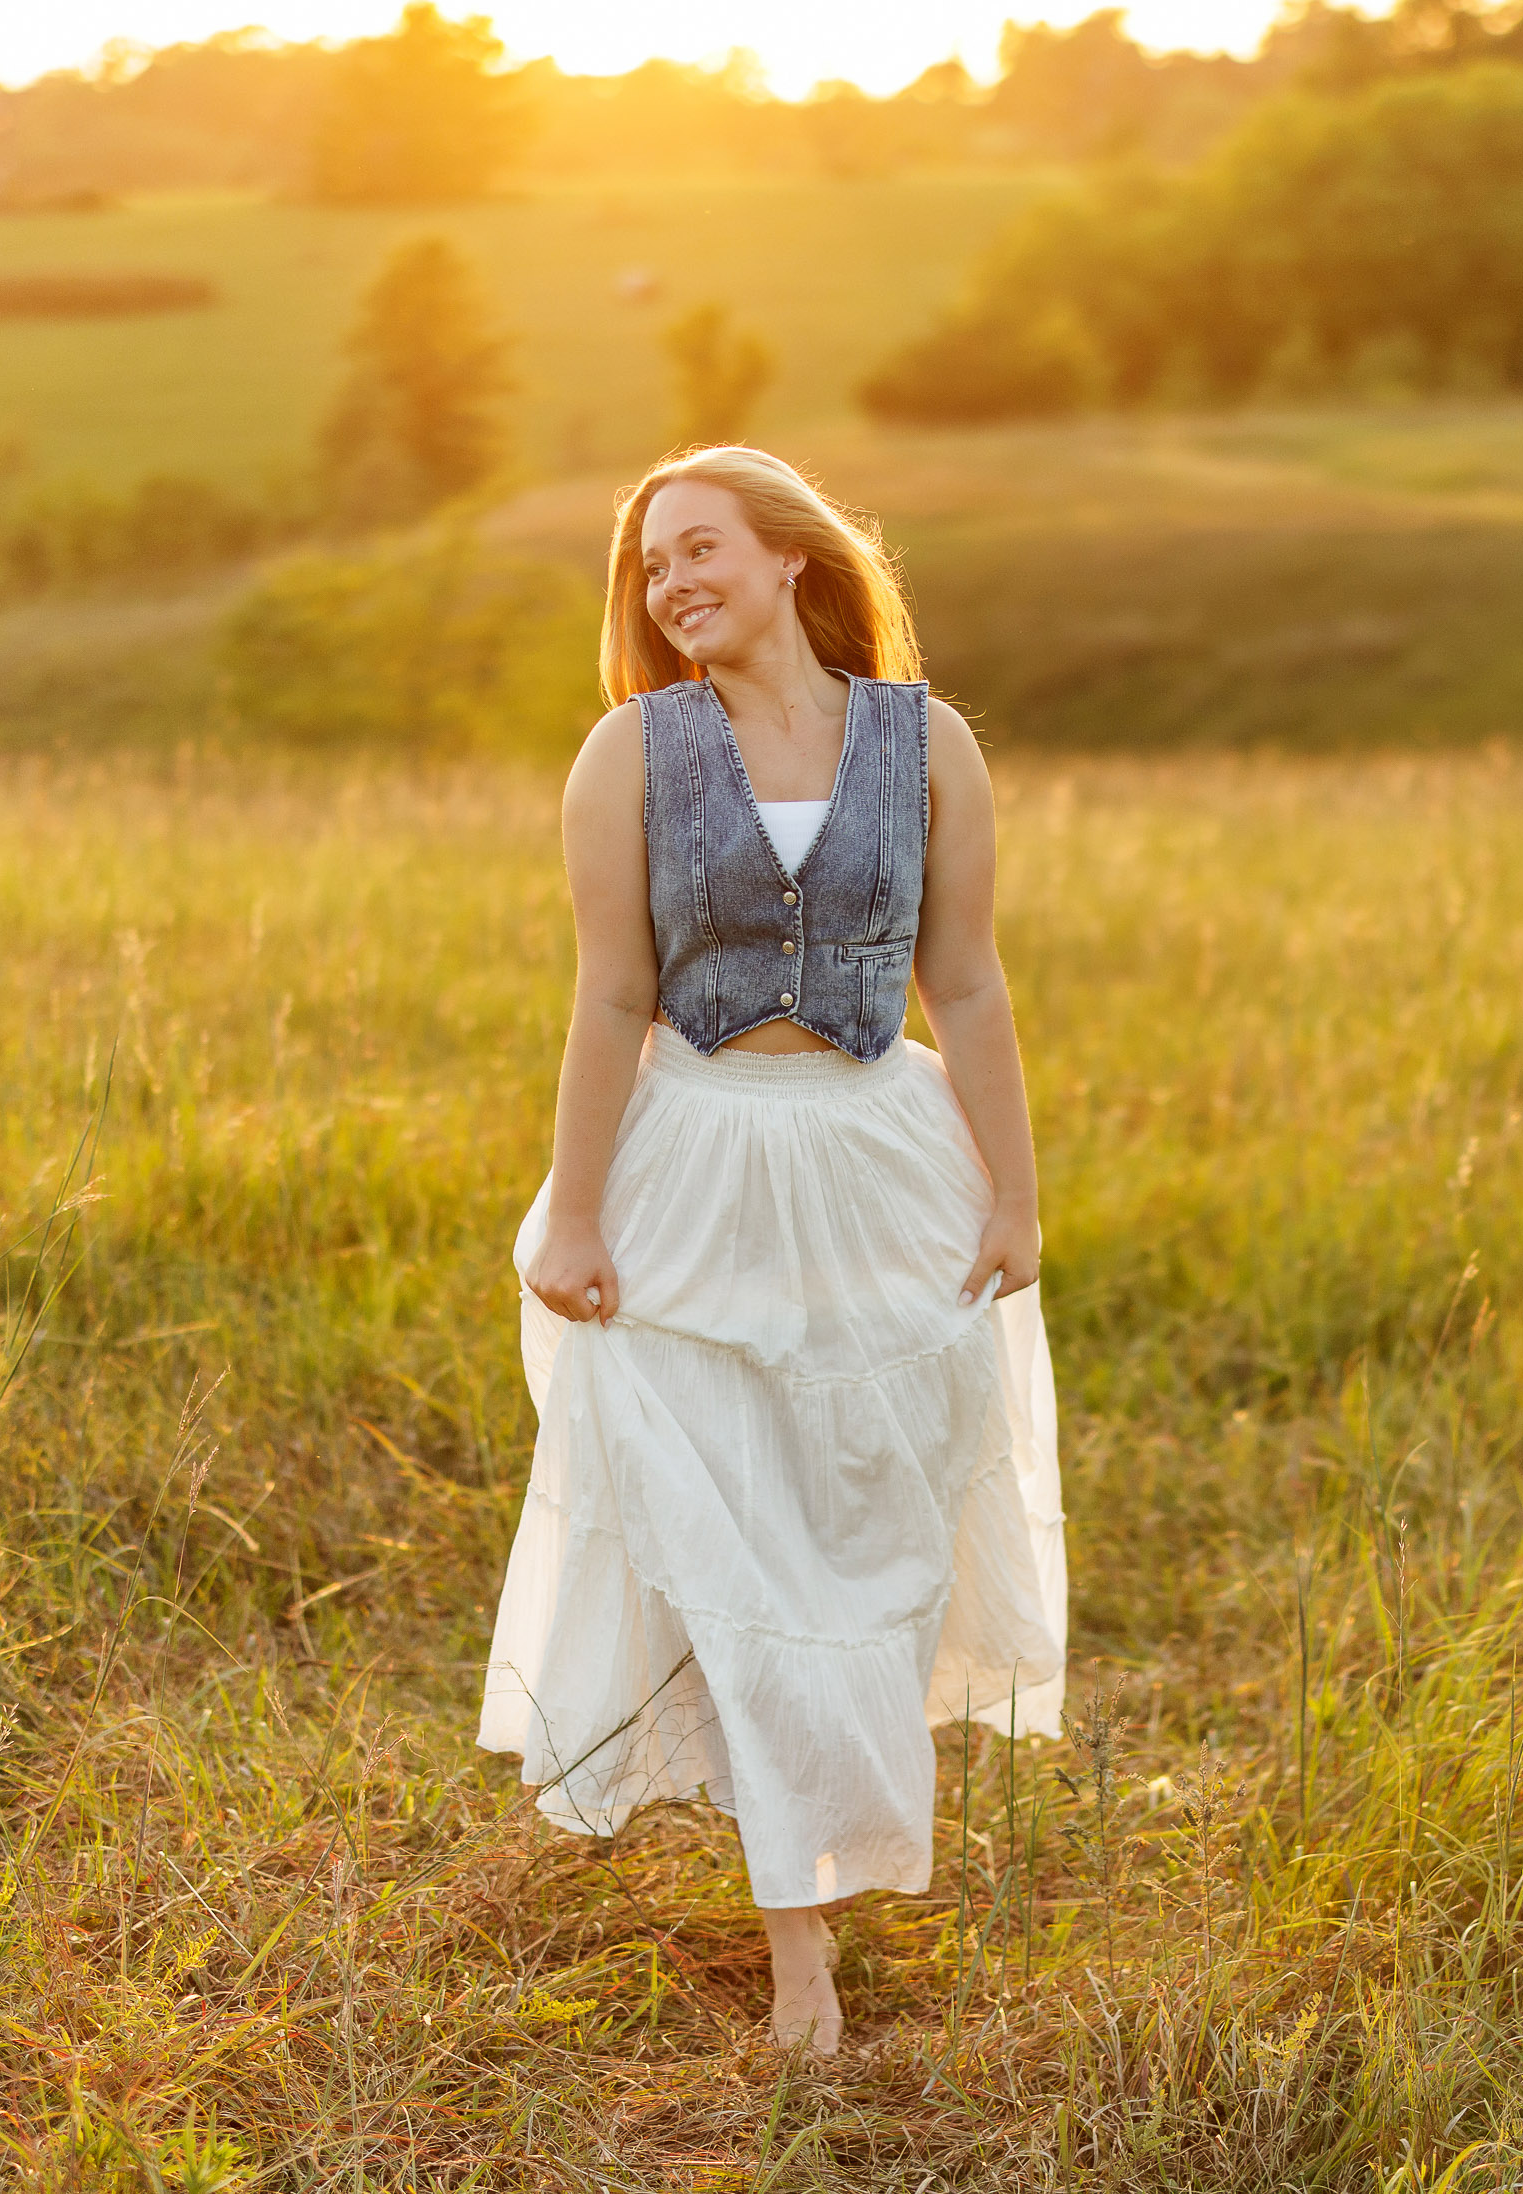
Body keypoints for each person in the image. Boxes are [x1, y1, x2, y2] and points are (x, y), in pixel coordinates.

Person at [478, 446, 1066, 2055]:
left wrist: (1012, 1197)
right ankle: (794, 1937)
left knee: (865, 1524)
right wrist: (577, 1208)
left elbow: (970, 983)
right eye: (649, 566)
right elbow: (609, 997)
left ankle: (839, 1823)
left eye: (697, 549)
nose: (669, 584)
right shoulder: (628, 756)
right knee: (733, 1551)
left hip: (880, 1163)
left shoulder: (925, 742)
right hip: (693, 1170)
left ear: (793, 557)